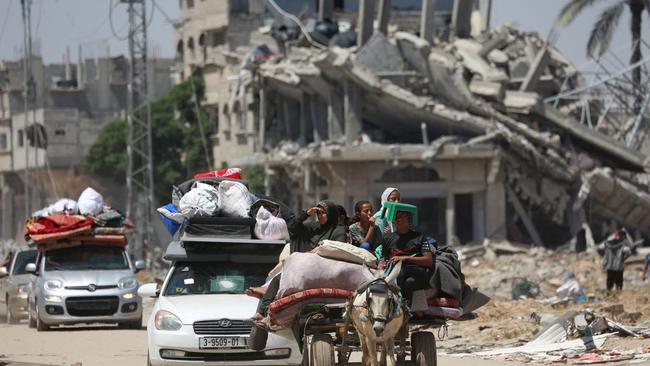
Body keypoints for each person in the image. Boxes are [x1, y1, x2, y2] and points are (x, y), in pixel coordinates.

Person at [253, 200, 346, 320]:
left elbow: (337, 247)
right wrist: (306, 214)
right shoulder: (312, 228)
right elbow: (292, 227)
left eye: (323, 213)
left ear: (331, 214)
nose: (320, 215)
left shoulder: (338, 230)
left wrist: (318, 250)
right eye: (318, 213)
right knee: (277, 279)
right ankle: (263, 311)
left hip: (325, 268)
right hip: (304, 267)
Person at [380, 210, 433, 306]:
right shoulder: (387, 238)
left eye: (403, 216)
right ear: (393, 220)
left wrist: (406, 258)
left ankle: (403, 307)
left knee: (409, 280)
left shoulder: (419, 237)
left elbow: (429, 261)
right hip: (395, 273)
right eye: (397, 217)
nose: (399, 219)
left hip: (417, 272)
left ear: (409, 219)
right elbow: (384, 259)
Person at [597, 228, 633, 292]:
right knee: (619, 282)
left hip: (609, 266)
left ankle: (609, 294)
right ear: (622, 237)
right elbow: (629, 252)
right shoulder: (623, 245)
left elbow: (599, 248)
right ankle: (618, 295)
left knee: (609, 282)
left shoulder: (607, 243)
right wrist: (624, 258)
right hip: (618, 266)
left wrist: (605, 256)